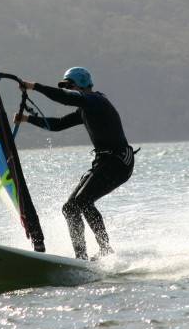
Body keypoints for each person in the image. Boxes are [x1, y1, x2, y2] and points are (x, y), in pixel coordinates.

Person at [15, 67, 135, 260]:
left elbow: (64, 98)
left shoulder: (96, 101)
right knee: (70, 208)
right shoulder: (85, 109)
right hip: (103, 161)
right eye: (66, 87)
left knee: (84, 202)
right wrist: (28, 119)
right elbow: (58, 124)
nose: (68, 90)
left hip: (119, 161)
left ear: (81, 85)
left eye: (70, 86)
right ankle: (81, 258)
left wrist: (34, 86)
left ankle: (105, 248)